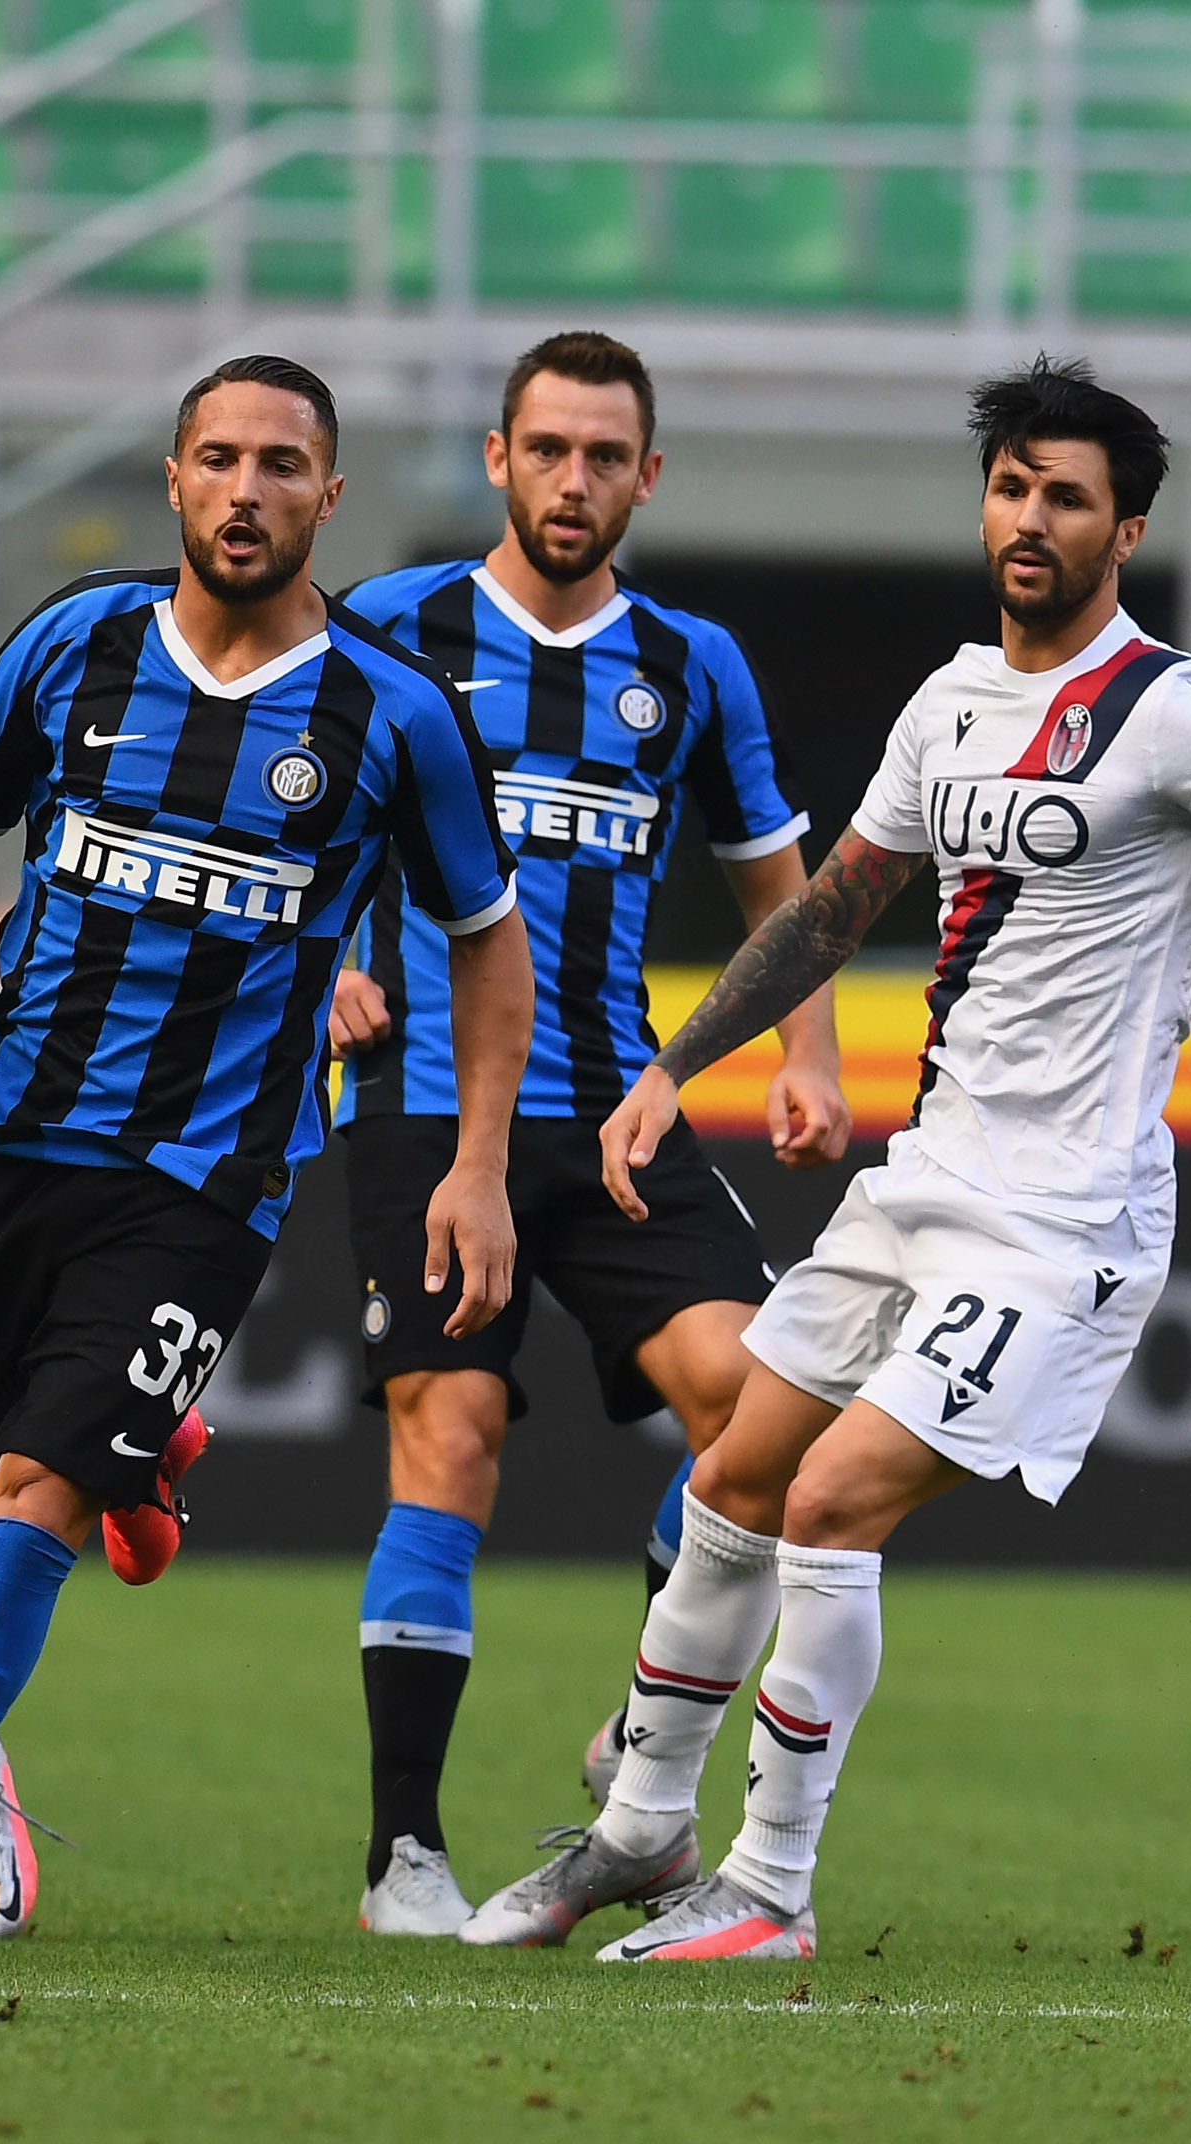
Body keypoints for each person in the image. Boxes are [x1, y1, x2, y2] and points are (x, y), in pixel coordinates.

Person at [462, 357, 1191, 1960]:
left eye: (1068, 498)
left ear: (1127, 530)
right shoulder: (951, 699)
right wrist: (671, 1071)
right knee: (730, 1479)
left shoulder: (1176, 711)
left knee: (832, 1499)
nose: (1030, 520)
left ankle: (770, 1889)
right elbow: (832, 910)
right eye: (1012, 488)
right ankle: (636, 1834)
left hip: (1063, 1219)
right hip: (920, 1183)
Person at [0, 356, 532, 1846]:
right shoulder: (73, 643)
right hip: (4, 1130)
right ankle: (144, 1449)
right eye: (219, 459)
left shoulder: (395, 712)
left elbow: (488, 942)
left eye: (282, 465)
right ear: (174, 479)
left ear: (330, 494)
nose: (246, 491)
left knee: (34, 1501)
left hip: (205, 1177)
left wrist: (477, 1165)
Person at [328, 330, 849, 1937]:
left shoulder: (692, 664)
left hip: (620, 1108)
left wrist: (808, 1055)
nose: (573, 481)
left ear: (647, 475)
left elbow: (781, 883)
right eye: (546, 449)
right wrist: (328, 964)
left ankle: (645, 1718)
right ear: (498, 458)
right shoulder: (393, 624)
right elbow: (296, 808)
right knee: (453, 1437)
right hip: (429, 1107)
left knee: (764, 1415)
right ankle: (404, 1850)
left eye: (604, 456)